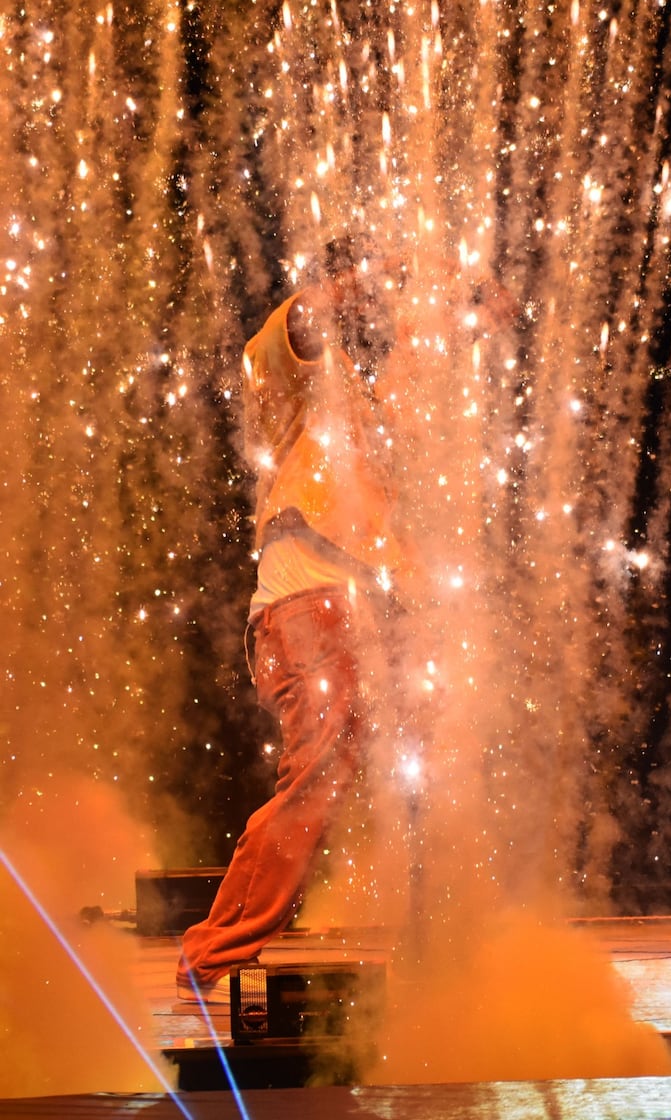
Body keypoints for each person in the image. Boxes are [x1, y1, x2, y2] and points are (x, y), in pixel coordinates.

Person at [176, 239, 408, 1001]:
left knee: (405, 766)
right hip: (308, 614)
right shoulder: (308, 383)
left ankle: (445, 944)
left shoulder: (364, 410)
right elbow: (286, 337)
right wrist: (352, 281)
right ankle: (213, 950)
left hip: (346, 616)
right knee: (315, 780)